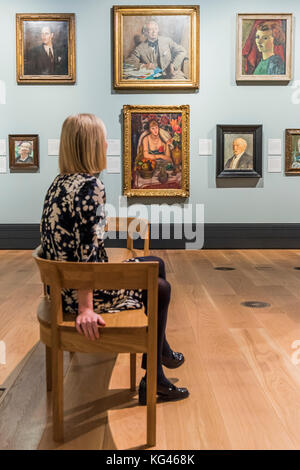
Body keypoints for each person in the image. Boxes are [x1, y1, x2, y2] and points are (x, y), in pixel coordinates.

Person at [40, 113, 189, 405]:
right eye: (103, 139)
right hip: (80, 292)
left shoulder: (59, 183)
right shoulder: (89, 186)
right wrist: (85, 307)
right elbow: (86, 252)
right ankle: (154, 377)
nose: (108, 144)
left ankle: (160, 352)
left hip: (61, 287)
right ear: (91, 145)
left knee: (155, 263)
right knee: (161, 288)